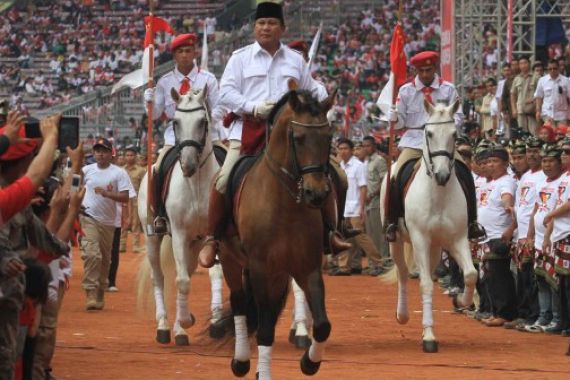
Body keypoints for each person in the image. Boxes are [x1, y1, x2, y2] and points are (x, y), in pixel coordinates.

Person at [197, 1, 349, 268]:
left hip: (291, 137)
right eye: (261, 23)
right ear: (254, 28)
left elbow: (310, 87)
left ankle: (331, 233)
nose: (266, 28)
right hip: (248, 131)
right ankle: (213, 238)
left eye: (271, 23)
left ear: (282, 28)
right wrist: (253, 106)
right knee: (223, 179)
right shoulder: (239, 58)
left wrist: (325, 100)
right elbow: (227, 92)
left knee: (332, 174)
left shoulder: (295, 60)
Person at [385, 50, 485, 242]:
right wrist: (394, 118)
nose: (425, 74)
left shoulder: (448, 89)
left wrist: (445, 126)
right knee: (397, 175)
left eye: (429, 70)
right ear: (416, 70)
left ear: (436, 68)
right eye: (421, 70)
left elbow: (458, 116)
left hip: (441, 142)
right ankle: (392, 221)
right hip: (414, 140)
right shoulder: (406, 91)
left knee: (465, 172)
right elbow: (399, 124)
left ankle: (472, 222)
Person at [143, 33, 222, 234]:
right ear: (174, 56)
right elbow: (155, 115)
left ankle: (230, 214)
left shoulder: (208, 79)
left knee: (229, 167)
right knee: (158, 169)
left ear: (195, 53)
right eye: (180, 52)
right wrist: (149, 101)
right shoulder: (164, 82)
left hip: (207, 137)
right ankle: (160, 214)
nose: (185, 55)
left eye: (188, 51)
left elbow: (219, 109)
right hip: (175, 138)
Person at [80, 137, 133, 310]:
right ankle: (90, 292)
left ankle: (101, 290)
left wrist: (107, 194)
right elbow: (75, 189)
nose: (100, 154)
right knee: (91, 254)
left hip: (109, 222)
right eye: (97, 151)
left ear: (111, 153)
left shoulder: (119, 173)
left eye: (104, 151)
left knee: (104, 259)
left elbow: (126, 196)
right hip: (88, 217)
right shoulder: (86, 170)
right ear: (93, 153)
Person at [477, 143, 518, 327]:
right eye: (489, 161)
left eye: (495, 161)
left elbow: (506, 197)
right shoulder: (491, 182)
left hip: (499, 234)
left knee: (500, 275)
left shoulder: (506, 181)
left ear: (505, 163)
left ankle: (505, 313)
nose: (491, 164)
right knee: (490, 275)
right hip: (486, 235)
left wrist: (507, 204)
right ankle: (495, 311)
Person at [528, 144, 564, 333]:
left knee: (554, 281)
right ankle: (544, 316)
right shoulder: (541, 183)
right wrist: (530, 234)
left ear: (560, 163)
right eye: (545, 161)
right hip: (539, 239)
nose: (547, 165)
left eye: (551, 161)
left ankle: (556, 319)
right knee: (541, 280)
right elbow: (536, 209)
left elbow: (555, 214)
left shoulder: (562, 182)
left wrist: (547, 237)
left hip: (553, 238)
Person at [509, 138, 544, 330]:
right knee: (523, 278)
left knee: (533, 279)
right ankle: (524, 315)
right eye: (529, 151)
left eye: (535, 151)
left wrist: (530, 236)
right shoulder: (525, 175)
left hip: (535, 237)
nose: (531, 155)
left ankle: (534, 317)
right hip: (521, 235)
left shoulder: (543, 177)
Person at [362, 135, 389, 273]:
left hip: (376, 202)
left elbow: (384, 182)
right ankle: (374, 264)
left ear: (374, 146)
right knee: (371, 235)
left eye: (368, 145)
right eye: (364, 146)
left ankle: (383, 263)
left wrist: (372, 195)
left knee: (379, 235)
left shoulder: (379, 161)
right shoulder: (365, 162)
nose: (365, 148)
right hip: (367, 203)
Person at [119, 145, 146, 253]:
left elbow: (144, 186)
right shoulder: (120, 170)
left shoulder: (141, 171)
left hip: (136, 199)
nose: (129, 157)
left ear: (135, 157)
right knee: (122, 222)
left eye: (131, 155)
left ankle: (136, 245)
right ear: (124, 157)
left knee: (135, 223)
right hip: (122, 198)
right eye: (127, 155)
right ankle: (122, 244)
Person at [534, 59, 570, 128]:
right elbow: (539, 97)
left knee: (561, 135)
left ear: (558, 68)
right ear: (547, 69)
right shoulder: (542, 80)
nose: (552, 70)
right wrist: (538, 111)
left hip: (562, 114)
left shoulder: (566, 81)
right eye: (550, 69)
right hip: (547, 113)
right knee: (550, 135)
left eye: (554, 68)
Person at [511, 56, 538, 136]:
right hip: (520, 110)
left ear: (529, 64)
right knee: (522, 133)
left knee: (534, 132)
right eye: (521, 63)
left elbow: (541, 93)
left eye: (525, 63)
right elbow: (513, 94)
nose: (523, 65)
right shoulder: (517, 79)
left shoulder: (536, 77)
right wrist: (514, 109)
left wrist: (534, 100)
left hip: (532, 110)